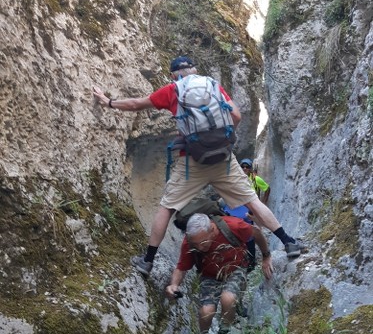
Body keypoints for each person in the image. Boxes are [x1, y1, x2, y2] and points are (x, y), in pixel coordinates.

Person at [93, 55, 305, 276]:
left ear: (173, 74)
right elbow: (236, 116)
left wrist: (107, 101)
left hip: (191, 162)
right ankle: (288, 242)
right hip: (223, 160)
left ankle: (147, 261)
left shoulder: (172, 90)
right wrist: (224, 140)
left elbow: (137, 104)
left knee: (167, 207)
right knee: (251, 201)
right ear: (194, 69)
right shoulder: (212, 86)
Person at [165, 212, 273, 334]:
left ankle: (224, 333)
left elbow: (256, 233)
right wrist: (174, 285)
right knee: (206, 311)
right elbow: (181, 267)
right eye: (196, 244)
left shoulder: (233, 226)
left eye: (203, 243)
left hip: (236, 267)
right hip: (210, 275)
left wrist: (266, 256)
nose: (199, 248)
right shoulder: (190, 242)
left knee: (227, 299)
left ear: (212, 229)